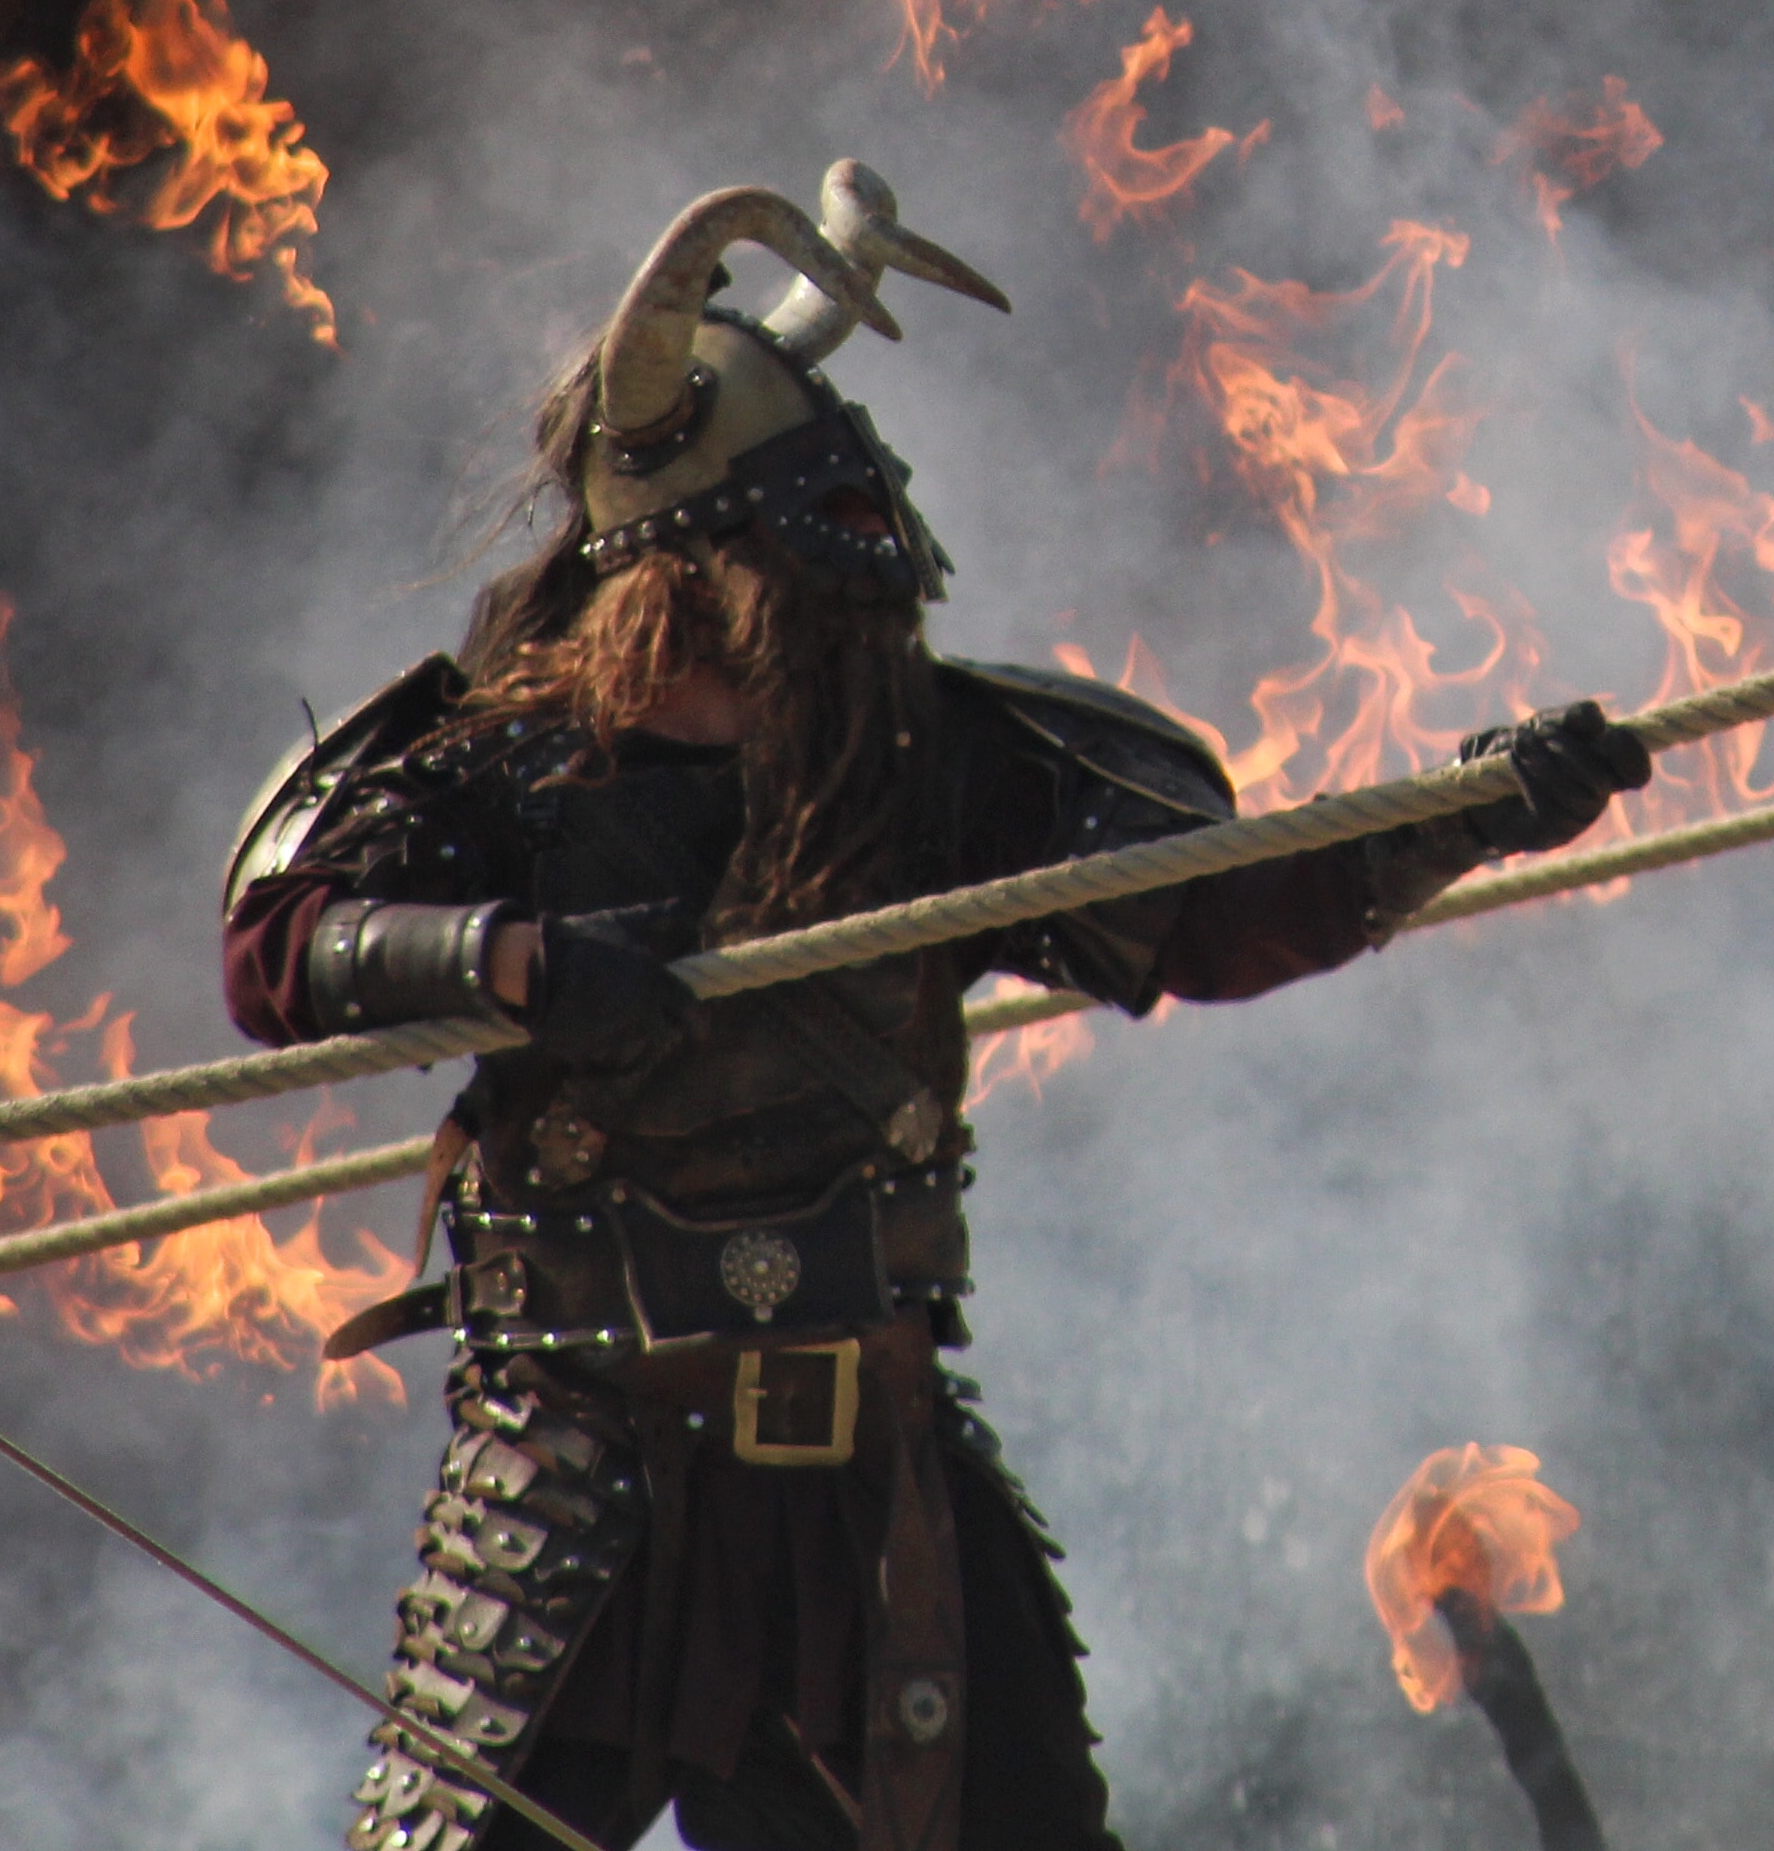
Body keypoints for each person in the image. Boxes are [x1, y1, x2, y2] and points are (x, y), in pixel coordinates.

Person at [220, 168, 1649, 1851]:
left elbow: (1200, 913)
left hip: (867, 1465)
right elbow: (281, 948)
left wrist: (1467, 816)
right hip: (582, 1460)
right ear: (675, 568)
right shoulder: (499, 764)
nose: (848, 609)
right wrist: (518, 963)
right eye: (791, 566)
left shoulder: (920, 760)